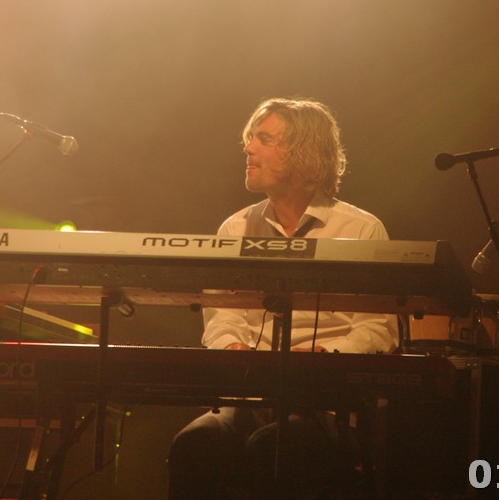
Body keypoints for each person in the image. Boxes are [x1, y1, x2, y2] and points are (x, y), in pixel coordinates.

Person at [167, 97, 400, 500]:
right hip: (249, 396)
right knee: (195, 444)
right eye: (250, 138)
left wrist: (325, 355)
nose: (248, 148)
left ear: (303, 152)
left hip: (328, 403)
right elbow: (221, 319)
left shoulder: (362, 230)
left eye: (264, 139)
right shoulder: (235, 228)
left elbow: (379, 329)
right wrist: (232, 347)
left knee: (274, 448)